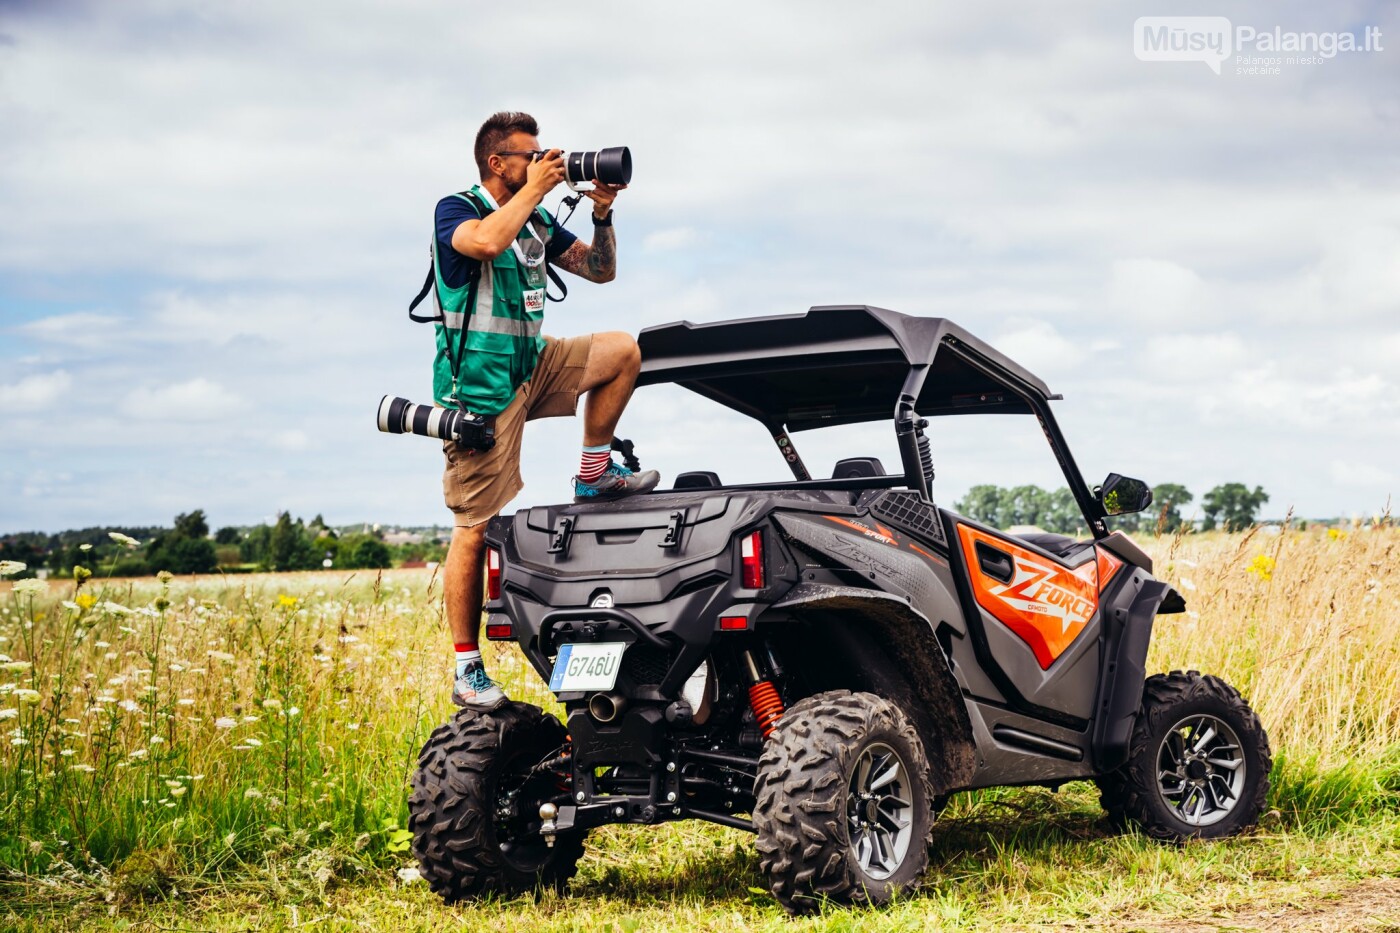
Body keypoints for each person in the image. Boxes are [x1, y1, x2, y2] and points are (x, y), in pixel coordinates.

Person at [433, 111, 658, 710]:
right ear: (496, 164)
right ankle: (466, 666)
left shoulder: (533, 218)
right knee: (475, 526)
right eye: (528, 157)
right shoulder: (455, 210)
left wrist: (602, 211)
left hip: (533, 362)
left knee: (622, 350)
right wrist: (538, 187)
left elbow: (599, 271)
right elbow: (484, 243)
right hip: (481, 387)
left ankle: (594, 473)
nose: (540, 163)